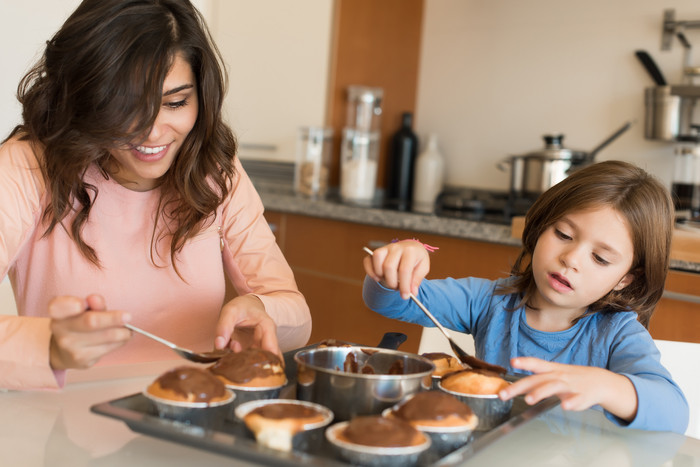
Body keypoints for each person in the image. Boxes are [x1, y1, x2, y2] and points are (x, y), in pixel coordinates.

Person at [0, 0, 311, 391]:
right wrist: (49, 346)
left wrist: (263, 310)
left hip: (191, 419)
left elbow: (295, 315)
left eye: (176, 102)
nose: (152, 132)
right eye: (125, 106)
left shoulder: (214, 170)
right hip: (59, 436)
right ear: (85, 96)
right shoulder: (26, 166)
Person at [363, 160, 689, 434]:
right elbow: (387, 300)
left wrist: (605, 385)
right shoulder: (490, 301)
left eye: (600, 258)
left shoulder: (618, 334)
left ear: (625, 280)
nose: (571, 259)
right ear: (540, 227)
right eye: (563, 235)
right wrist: (397, 264)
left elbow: (674, 414)